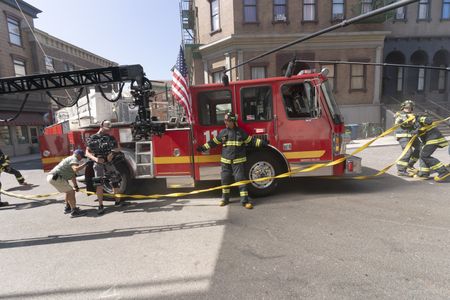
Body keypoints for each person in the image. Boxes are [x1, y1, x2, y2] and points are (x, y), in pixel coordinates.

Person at [197, 112, 268, 209]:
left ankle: (245, 201)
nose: (225, 122)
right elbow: (213, 142)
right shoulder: (223, 133)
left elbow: (251, 141)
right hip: (225, 162)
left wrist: (262, 143)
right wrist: (203, 148)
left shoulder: (241, 132)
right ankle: (225, 199)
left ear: (233, 121)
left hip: (238, 162)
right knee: (225, 181)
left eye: (228, 121)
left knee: (241, 181)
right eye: (225, 120)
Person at [85, 120, 123, 215]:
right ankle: (100, 206)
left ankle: (118, 202)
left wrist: (112, 153)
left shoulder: (110, 137)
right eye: (106, 127)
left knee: (115, 181)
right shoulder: (92, 138)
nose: (108, 130)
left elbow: (118, 148)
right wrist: (96, 159)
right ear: (101, 125)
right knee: (99, 184)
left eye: (109, 128)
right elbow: (87, 152)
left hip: (109, 162)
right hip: (99, 163)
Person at [47, 149, 88, 217]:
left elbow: (72, 175)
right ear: (78, 155)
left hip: (53, 177)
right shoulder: (74, 159)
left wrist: (76, 186)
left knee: (68, 191)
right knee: (71, 192)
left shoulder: (69, 158)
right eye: (81, 157)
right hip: (56, 177)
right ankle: (74, 211)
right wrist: (85, 164)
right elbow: (75, 169)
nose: (81, 159)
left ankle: (68, 207)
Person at [413, 113, 450, 182]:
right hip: (429, 140)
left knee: (424, 155)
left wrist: (418, 118)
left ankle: (443, 171)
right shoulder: (415, 125)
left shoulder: (421, 119)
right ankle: (424, 173)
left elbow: (429, 121)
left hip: (434, 139)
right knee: (423, 155)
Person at [394, 100, 420, 177]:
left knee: (421, 147)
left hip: (412, 136)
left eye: (410, 108)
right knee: (408, 152)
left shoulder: (413, 115)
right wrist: (409, 120)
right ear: (403, 107)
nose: (408, 109)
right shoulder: (399, 115)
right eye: (406, 108)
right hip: (403, 136)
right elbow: (402, 123)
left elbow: (416, 125)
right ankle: (401, 170)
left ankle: (410, 164)